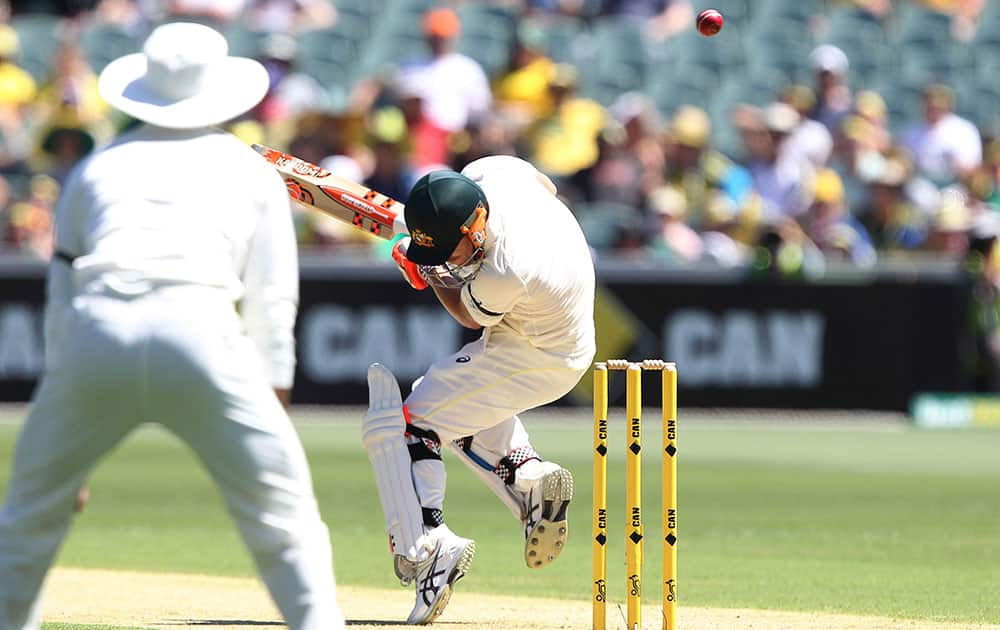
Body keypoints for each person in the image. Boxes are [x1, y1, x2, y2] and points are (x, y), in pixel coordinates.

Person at [0, 23, 345, 630]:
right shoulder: (251, 171)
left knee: (26, 526)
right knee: (286, 528)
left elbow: (61, 293)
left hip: (95, 337)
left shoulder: (96, 167)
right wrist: (277, 403)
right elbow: (273, 302)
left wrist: (60, 405)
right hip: (203, 337)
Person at [364, 156, 595, 623]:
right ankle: (526, 477)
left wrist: (425, 271)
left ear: (474, 230)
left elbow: (469, 315)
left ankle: (430, 547)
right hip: (551, 329)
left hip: (537, 354)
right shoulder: (492, 174)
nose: (447, 260)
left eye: (450, 250)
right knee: (453, 408)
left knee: (412, 424)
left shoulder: (507, 267)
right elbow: (543, 186)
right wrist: (431, 249)